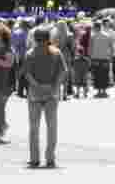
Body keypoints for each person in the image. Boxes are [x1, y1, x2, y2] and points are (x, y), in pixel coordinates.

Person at [21, 26, 67, 168]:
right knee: (51, 127)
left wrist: (36, 85)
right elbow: (63, 71)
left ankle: (34, 158)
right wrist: (55, 85)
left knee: (34, 128)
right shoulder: (56, 52)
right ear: (49, 38)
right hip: (52, 93)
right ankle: (50, 158)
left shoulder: (30, 53)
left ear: (35, 39)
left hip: (35, 94)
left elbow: (27, 74)